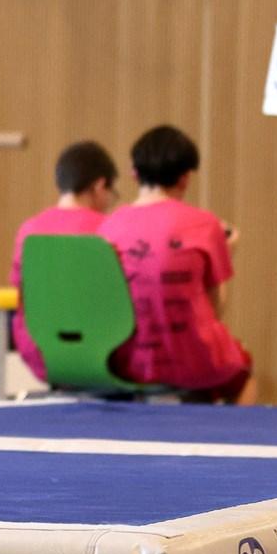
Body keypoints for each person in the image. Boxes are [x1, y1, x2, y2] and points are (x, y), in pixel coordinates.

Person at [97, 125, 254, 403]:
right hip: (191, 363)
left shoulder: (109, 226)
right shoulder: (205, 225)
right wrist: (227, 252)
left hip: (126, 361)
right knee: (242, 373)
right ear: (185, 178)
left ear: (134, 173)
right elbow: (214, 311)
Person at [9, 140, 118, 381]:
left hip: (38, 350)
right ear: (100, 186)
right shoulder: (110, 229)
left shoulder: (29, 230)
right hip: (103, 350)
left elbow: (20, 290)